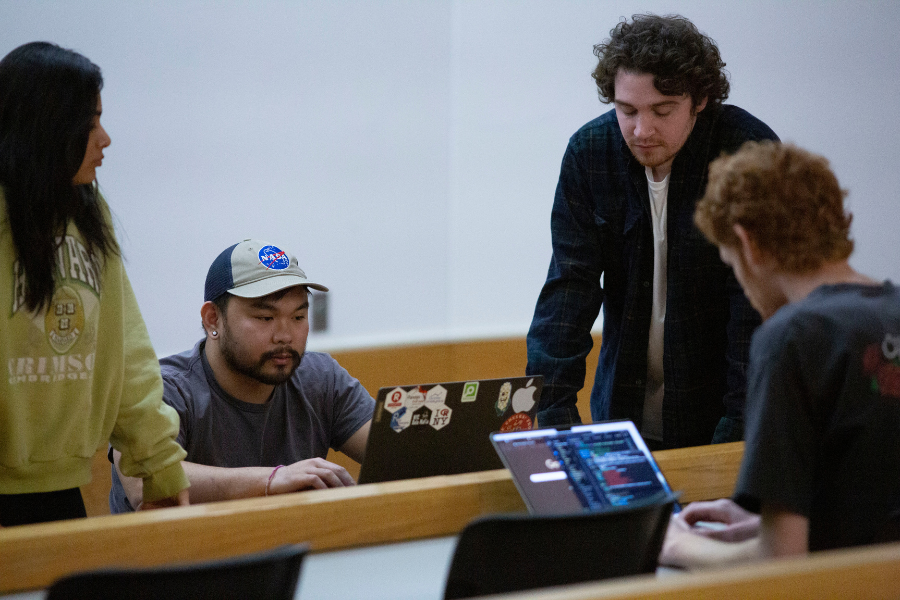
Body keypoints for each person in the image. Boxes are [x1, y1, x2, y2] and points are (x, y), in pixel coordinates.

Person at [526, 14, 779, 448]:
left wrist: (736, 436)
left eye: (662, 111)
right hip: (623, 410)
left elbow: (752, 312)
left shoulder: (746, 152)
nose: (642, 130)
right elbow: (568, 292)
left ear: (699, 100)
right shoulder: (590, 153)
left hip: (720, 413)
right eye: (627, 111)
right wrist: (556, 422)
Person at [660, 141, 900, 567]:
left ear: (747, 243)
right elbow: (871, 506)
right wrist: (762, 521)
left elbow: (782, 559)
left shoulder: (791, 337)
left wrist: (676, 545)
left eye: (730, 264)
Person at [0, 42, 189, 526]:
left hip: (61, 490)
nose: (105, 138)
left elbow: (124, 350)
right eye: (91, 122)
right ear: (47, 126)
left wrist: (161, 465)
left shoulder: (89, 212)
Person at [109, 240, 375, 512]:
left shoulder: (321, 379)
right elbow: (144, 486)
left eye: (298, 317)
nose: (284, 335)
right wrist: (273, 480)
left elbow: (398, 454)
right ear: (213, 319)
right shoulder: (162, 390)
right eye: (264, 318)